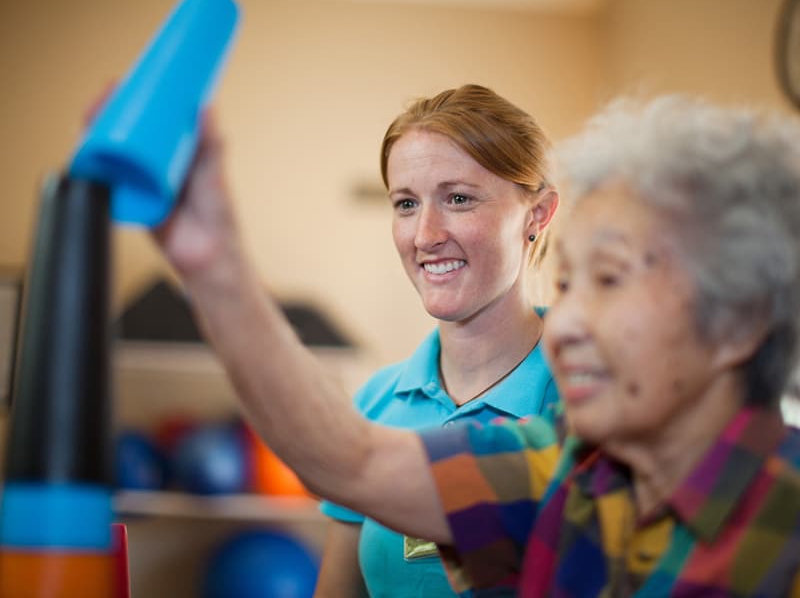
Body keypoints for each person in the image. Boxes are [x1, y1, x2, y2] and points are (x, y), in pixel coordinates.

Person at [154, 94, 800, 596]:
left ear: (738, 323)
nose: (569, 320)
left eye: (608, 279)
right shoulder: (567, 473)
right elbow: (349, 462)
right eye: (568, 281)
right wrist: (216, 269)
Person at [314, 85, 560, 597]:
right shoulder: (374, 406)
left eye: (458, 198)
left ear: (536, 214)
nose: (424, 235)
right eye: (406, 203)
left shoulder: (596, 398)